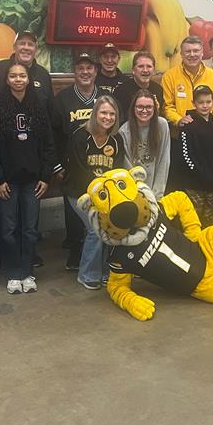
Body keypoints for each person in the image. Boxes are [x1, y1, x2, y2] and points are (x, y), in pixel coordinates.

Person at [0, 30, 53, 274]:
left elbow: (47, 136)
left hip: (31, 172)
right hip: (4, 170)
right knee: (2, 221)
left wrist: (46, 174)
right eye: (22, 43)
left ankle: (26, 264)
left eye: (31, 43)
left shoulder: (42, 82)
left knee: (29, 225)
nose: (26, 47)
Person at [0, 63, 57, 294]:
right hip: (7, 181)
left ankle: (27, 272)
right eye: (13, 76)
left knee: (29, 229)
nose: (18, 79)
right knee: (8, 229)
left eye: (22, 76)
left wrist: (45, 176)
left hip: (33, 181)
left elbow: (48, 144)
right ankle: (13, 273)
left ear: (28, 79)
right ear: (7, 80)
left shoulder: (38, 106)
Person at [65, 95, 129, 290]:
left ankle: (103, 271)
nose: (107, 117)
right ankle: (87, 274)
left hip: (104, 196)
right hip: (79, 193)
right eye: (103, 112)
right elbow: (78, 170)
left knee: (108, 229)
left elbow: (116, 170)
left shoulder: (116, 139)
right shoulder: (80, 135)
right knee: (95, 230)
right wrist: (98, 196)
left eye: (111, 113)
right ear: (95, 114)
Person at [51, 52, 99, 270]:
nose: (85, 72)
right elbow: (53, 135)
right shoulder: (63, 99)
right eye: (81, 68)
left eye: (89, 68)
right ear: (74, 72)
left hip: (99, 164)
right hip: (72, 166)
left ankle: (97, 252)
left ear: (95, 71)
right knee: (73, 211)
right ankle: (75, 250)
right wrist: (57, 165)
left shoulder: (104, 99)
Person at [162, 36, 213, 192]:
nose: (192, 55)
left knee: (208, 181)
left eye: (196, 51)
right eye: (188, 51)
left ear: (202, 52)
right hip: (180, 140)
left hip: (209, 141)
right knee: (180, 184)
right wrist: (179, 120)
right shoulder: (170, 76)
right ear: (181, 55)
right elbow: (167, 106)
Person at [178, 85, 213, 228]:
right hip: (195, 185)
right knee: (194, 222)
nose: (205, 106)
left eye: (208, 102)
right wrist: (199, 173)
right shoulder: (188, 126)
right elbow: (186, 155)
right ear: (194, 103)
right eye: (201, 102)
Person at [119, 89, 170, 198]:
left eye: (148, 107)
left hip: (156, 192)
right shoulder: (124, 131)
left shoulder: (162, 125)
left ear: (154, 108)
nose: (144, 110)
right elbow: (128, 168)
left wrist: (157, 195)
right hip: (134, 193)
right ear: (133, 108)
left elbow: (164, 161)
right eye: (140, 106)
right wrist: (140, 196)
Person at [113, 50, 164, 116]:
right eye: (141, 66)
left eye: (149, 66)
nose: (145, 70)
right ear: (133, 70)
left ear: (153, 70)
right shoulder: (121, 91)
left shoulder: (158, 89)